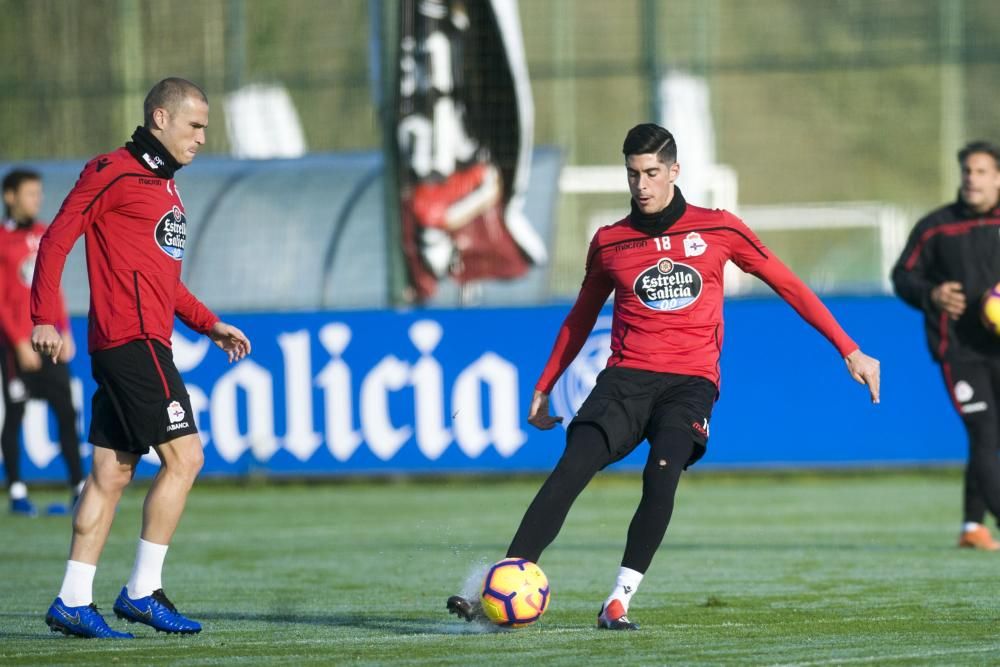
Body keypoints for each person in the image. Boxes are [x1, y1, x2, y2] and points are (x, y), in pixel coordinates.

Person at [446, 123, 880, 630]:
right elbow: (580, 317)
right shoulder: (610, 243)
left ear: (674, 171)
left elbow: (788, 284)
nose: (642, 185)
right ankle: (499, 589)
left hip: (690, 383)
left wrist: (850, 349)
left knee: (661, 474)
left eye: (652, 172)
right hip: (624, 380)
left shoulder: (720, 229)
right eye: (633, 174)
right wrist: (544, 386)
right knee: (570, 470)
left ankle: (618, 601)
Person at [32, 77, 251, 639]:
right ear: (160, 118)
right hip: (131, 341)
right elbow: (57, 237)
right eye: (195, 125)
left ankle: (73, 601)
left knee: (109, 474)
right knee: (186, 458)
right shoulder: (113, 170)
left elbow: (164, 280)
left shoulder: (167, 187)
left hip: (137, 340)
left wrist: (209, 323)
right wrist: (42, 317)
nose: (202, 137)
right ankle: (141, 592)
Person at [891, 141, 1000, 552]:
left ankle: (973, 525)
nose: (971, 178)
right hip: (958, 351)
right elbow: (902, 277)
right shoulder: (936, 227)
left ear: (998, 177)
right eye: (967, 171)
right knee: (983, 433)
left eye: (981, 171)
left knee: (989, 440)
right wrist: (932, 294)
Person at [1, 168, 85, 516]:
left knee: (67, 413)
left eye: (39, 193)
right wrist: (19, 341)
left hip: (50, 342)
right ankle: (18, 492)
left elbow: (53, 287)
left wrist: (64, 329)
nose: (37, 199)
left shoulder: (44, 234)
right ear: (10, 197)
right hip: (16, 346)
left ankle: (78, 488)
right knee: (16, 414)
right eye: (30, 193)